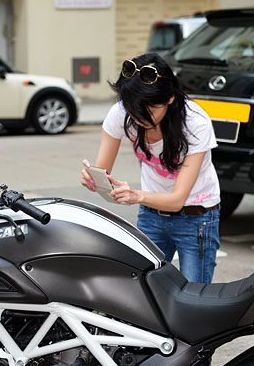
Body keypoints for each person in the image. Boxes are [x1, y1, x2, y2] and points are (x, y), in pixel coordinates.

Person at [81, 52, 220, 284]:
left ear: (170, 99)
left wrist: (135, 195)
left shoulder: (196, 123)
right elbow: (102, 171)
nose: (139, 117)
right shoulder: (122, 113)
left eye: (149, 110)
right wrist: (93, 180)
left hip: (196, 216)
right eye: (134, 109)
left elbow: (177, 199)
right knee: (145, 290)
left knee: (194, 299)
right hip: (151, 215)